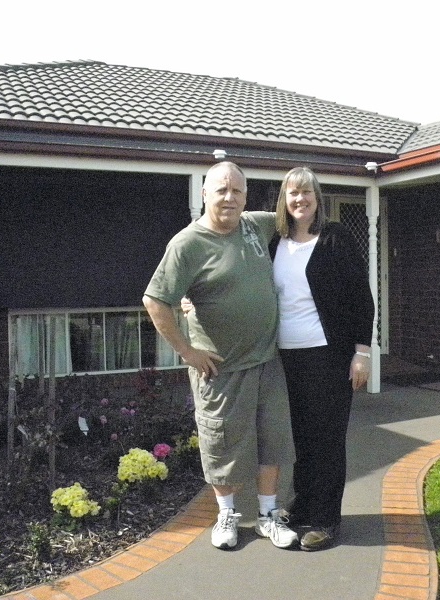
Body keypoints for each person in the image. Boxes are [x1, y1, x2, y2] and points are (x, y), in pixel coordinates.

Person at [143, 161, 298, 551]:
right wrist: (187, 351)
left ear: (246, 196)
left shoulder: (255, 225)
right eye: (221, 190)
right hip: (220, 368)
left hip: (266, 361)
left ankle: (267, 516)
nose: (229, 198)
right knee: (222, 445)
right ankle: (227, 514)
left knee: (272, 442)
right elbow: (155, 300)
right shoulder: (187, 244)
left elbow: (292, 215)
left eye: (237, 191)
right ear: (205, 194)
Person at [271, 166, 374, 551]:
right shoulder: (275, 241)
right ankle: (303, 506)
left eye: (306, 193)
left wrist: (362, 353)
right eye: (292, 194)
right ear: (284, 200)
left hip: (329, 355)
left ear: (318, 198)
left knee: (327, 439)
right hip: (290, 356)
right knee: (303, 437)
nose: (300, 200)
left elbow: (361, 300)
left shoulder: (335, 238)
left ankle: (326, 519)